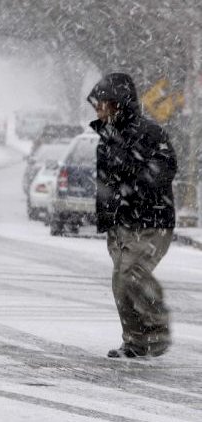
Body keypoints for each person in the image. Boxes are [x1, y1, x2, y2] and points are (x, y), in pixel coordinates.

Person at [87, 72, 177, 358]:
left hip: (151, 220)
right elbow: (105, 183)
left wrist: (135, 190)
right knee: (121, 283)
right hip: (120, 223)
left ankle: (157, 330)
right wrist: (108, 217)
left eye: (102, 104)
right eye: (96, 105)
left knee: (132, 274)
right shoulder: (106, 139)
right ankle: (136, 341)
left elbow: (165, 167)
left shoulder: (149, 134)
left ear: (118, 103)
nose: (98, 110)